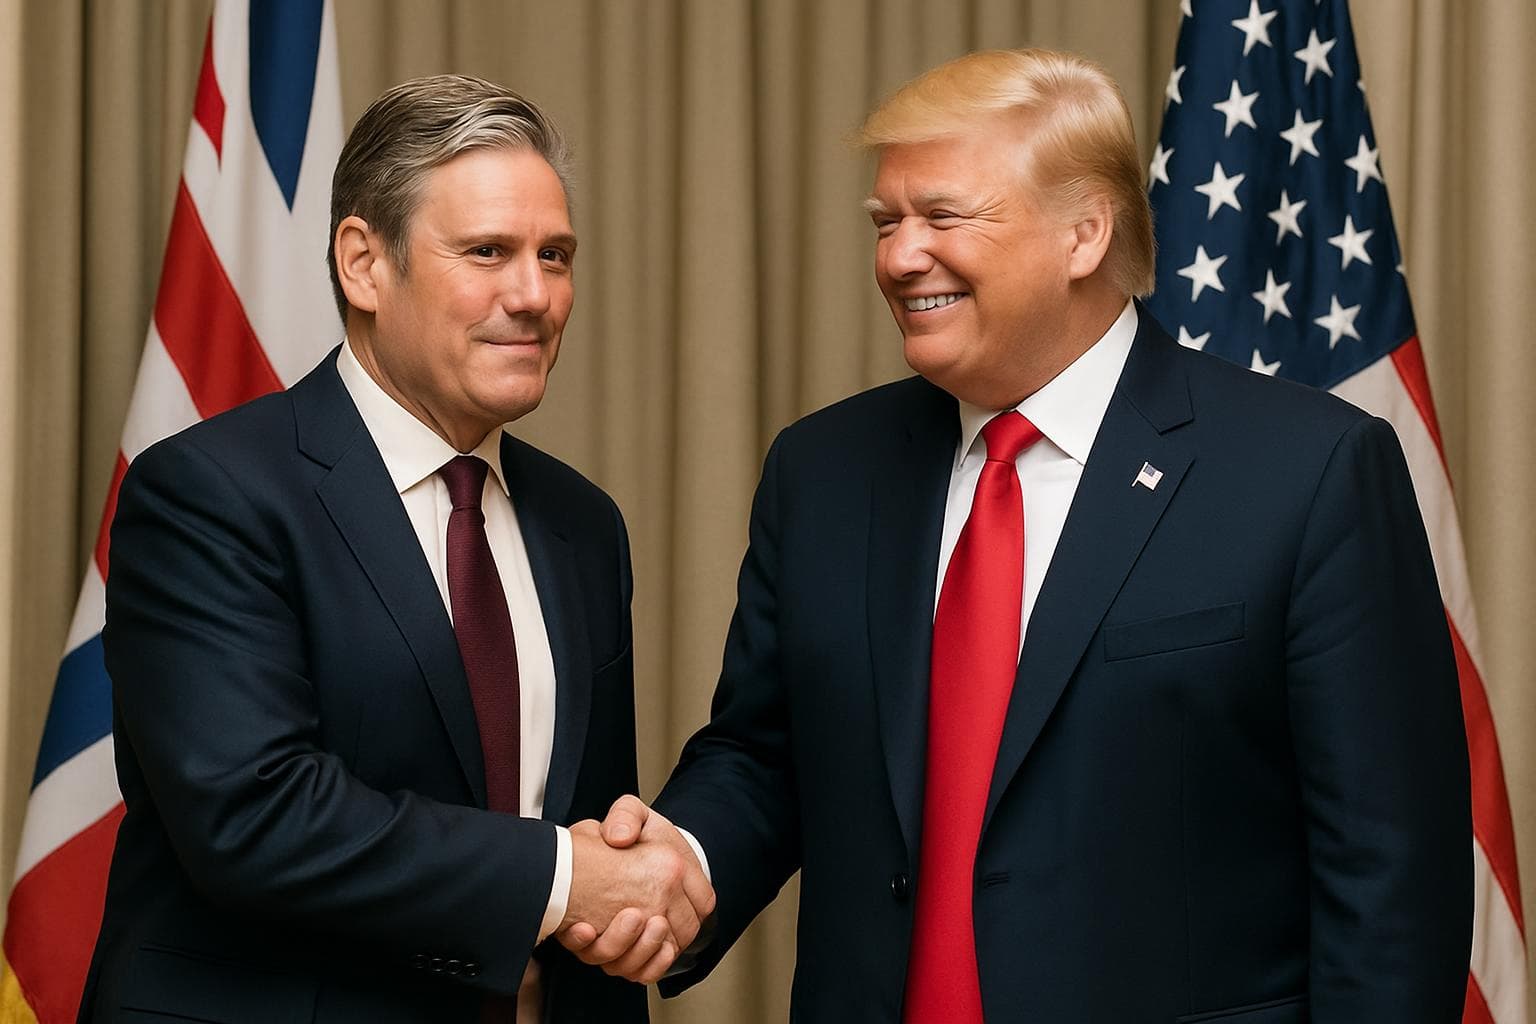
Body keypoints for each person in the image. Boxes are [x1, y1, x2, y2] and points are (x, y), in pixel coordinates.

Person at [567, 48, 1472, 1022]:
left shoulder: (1309, 472)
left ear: (1085, 233)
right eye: (886, 222)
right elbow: (764, 753)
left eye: (943, 216)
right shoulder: (823, 472)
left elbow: (1388, 880)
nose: (899, 257)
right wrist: (681, 863)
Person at [82, 75, 710, 1024]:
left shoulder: (582, 525)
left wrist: (625, 890)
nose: (534, 296)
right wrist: (564, 875)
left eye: (555, 255)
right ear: (364, 264)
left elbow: (592, 848)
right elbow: (254, 816)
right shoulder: (209, 494)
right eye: (487, 252)